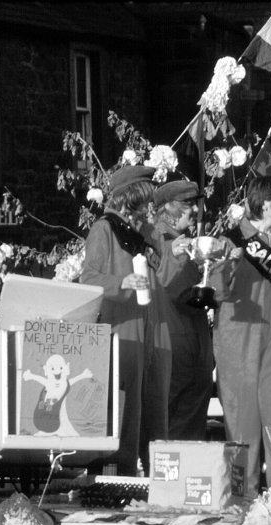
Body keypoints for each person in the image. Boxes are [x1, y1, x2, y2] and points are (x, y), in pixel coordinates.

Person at [212, 175, 271, 497]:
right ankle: (241, 499)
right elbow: (216, 292)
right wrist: (226, 264)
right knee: (242, 425)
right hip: (238, 342)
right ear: (264, 204)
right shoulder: (229, 240)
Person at [80, 165, 173, 476]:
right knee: (127, 405)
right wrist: (122, 284)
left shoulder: (145, 232)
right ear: (130, 197)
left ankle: (159, 475)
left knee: (156, 404)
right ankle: (121, 475)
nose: (149, 207)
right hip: (122, 326)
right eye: (145, 199)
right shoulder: (103, 229)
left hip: (153, 325)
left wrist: (154, 234)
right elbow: (88, 279)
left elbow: (164, 270)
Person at [150, 179, 215, 441]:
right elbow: (164, 287)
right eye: (189, 205)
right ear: (172, 208)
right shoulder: (164, 244)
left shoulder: (179, 243)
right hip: (178, 350)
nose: (195, 211)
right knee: (174, 427)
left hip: (189, 349)